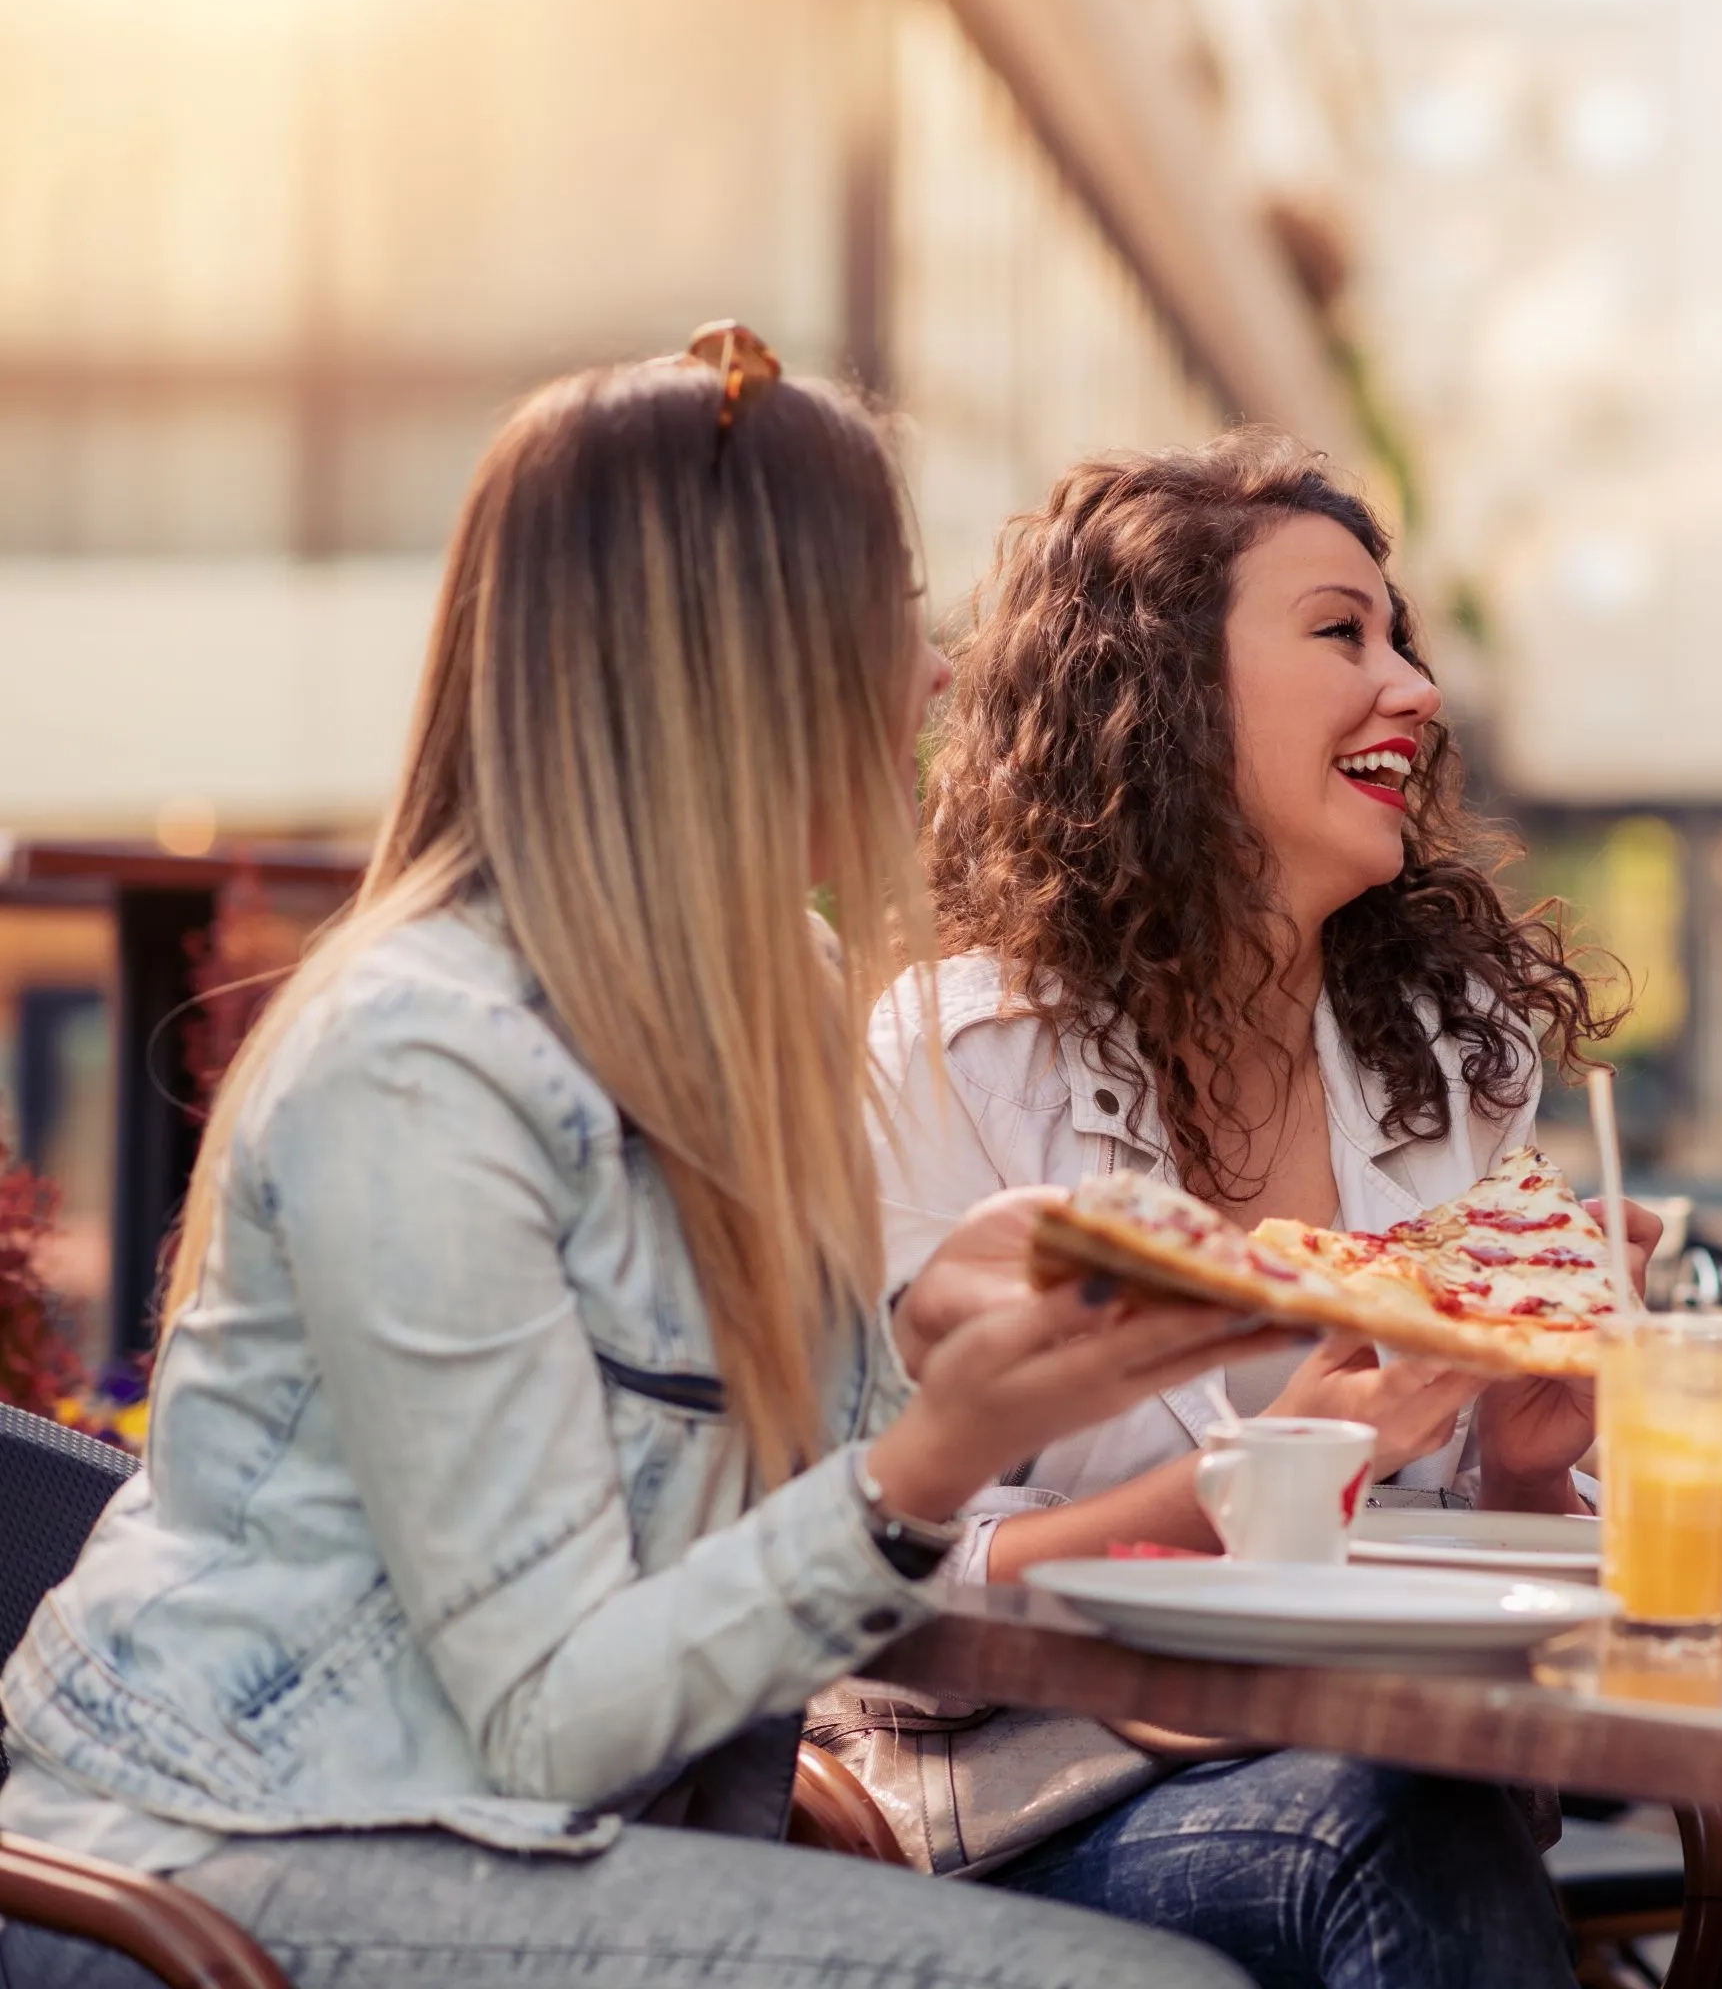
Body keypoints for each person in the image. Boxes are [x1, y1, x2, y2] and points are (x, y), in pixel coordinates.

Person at [0, 330, 1290, 1989]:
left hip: (536, 1844)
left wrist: (929, 1349)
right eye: (889, 609)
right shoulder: (420, 1058)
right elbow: (554, 1720)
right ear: (737, 668)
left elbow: (728, 1514)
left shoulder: (777, 994)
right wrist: (942, 1453)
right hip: (237, 1863)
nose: (939, 674)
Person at [813, 431, 1626, 1989]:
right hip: (1034, 1810)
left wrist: (1531, 1476)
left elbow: (1499, 1656)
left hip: (1399, 1770)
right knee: (1398, 1838)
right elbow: (878, 1594)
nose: (1414, 689)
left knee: (1422, 1822)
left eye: (1404, 639)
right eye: (1342, 634)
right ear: (1169, 692)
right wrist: (1270, 1479)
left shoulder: (1456, 1065)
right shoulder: (950, 1061)